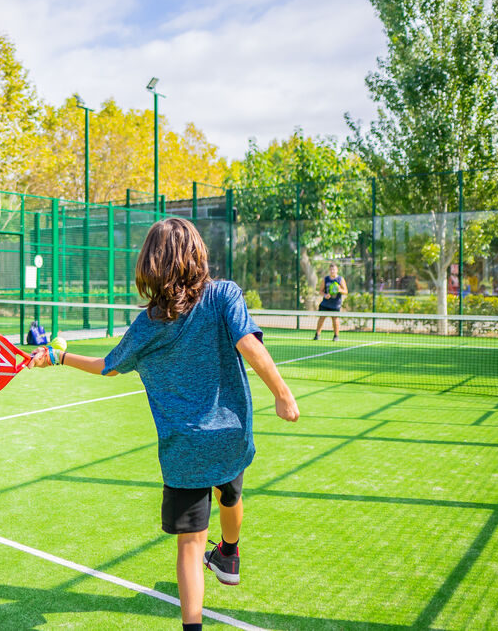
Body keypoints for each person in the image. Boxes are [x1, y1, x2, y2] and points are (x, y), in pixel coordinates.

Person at [28, 218, 299, 630]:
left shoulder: (147, 325)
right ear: (197, 255)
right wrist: (282, 394)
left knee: (190, 546)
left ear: (150, 264)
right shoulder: (225, 295)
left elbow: (106, 368)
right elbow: (250, 343)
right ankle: (229, 552)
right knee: (231, 489)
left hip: (183, 448)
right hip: (230, 437)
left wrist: (59, 357)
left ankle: (193, 624)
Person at [313, 263, 347, 341]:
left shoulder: (340, 279)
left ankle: (336, 336)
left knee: (335, 319)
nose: (332, 271)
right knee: (321, 318)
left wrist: (340, 290)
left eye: (334, 269)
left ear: (337, 270)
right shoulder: (325, 279)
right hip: (325, 303)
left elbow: (346, 291)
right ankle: (317, 335)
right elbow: (321, 291)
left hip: (335, 304)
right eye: (331, 269)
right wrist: (325, 295)